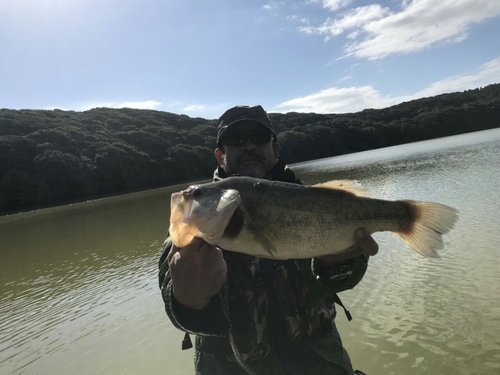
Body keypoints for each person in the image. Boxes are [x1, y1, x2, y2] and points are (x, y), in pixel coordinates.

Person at [158, 105, 379, 375]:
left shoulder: (317, 203)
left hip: (320, 362)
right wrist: (187, 297)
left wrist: (337, 263)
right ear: (220, 156)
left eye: (260, 137)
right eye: (236, 139)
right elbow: (177, 311)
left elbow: (343, 282)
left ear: (275, 150)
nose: (249, 145)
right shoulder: (198, 214)